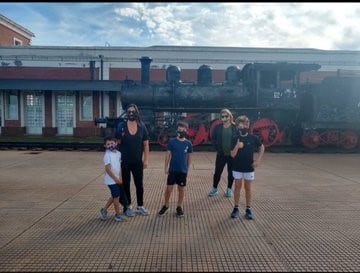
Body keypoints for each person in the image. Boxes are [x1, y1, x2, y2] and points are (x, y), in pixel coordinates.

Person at [115, 103, 150, 217]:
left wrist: (146, 160)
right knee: (126, 184)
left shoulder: (142, 126)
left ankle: (140, 206)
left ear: (137, 113)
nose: (131, 113)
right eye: (129, 111)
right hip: (124, 162)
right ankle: (128, 206)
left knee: (139, 184)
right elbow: (117, 144)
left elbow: (145, 145)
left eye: (133, 111)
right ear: (126, 113)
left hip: (137, 162)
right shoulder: (121, 126)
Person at [230, 115, 265, 220]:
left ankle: (248, 209)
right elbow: (232, 155)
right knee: (237, 187)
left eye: (246, 123)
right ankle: (235, 208)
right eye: (242, 124)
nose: (245, 125)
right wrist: (237, 146)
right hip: (237, 167)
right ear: (238, 126)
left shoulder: (253, 138)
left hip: (249, 167)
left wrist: (258, 160)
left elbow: (262, 147)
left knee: (248, 188)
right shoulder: (235, 138)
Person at [158, 121, 193, 218]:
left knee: (181, 189)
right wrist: (166, 167)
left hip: (182, 171)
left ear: (186, 130)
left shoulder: (188, 143)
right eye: (179, 129)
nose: (181, 130)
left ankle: (179, 206)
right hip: (172, 170)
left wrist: (188, 168)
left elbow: (189, 157)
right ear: (177, 130)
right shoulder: (172, 142)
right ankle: (166, 205)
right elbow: (168, 154)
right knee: (169, 189)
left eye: (183, 129)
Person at [208, 108, 237, 198]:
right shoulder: (218, 127)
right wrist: (217, 148)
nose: (224, 117)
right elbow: (213, 138)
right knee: (217, 172)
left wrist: (235, 150)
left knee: (231, 173)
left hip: (232, 155)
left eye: (226, 116)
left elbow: (239, 139)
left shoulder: (234, 127)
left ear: (230, 116)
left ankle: (229, 189)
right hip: (221, 154)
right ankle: (215, 188)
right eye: (222, 116)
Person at [99, 136, 128, 222]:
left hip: (117, 179)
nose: (110, 145)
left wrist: (120, 177)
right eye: (108, 144)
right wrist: (116, 179)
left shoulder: (119, 153)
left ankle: (104, 210)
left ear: (116, 143)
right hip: (111, 180)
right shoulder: (107, 155)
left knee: (114, 196)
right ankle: (117, 215)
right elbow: (107, 169)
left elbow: (119, 167)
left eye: (112, 143)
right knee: (116, 197)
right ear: (105, 146)